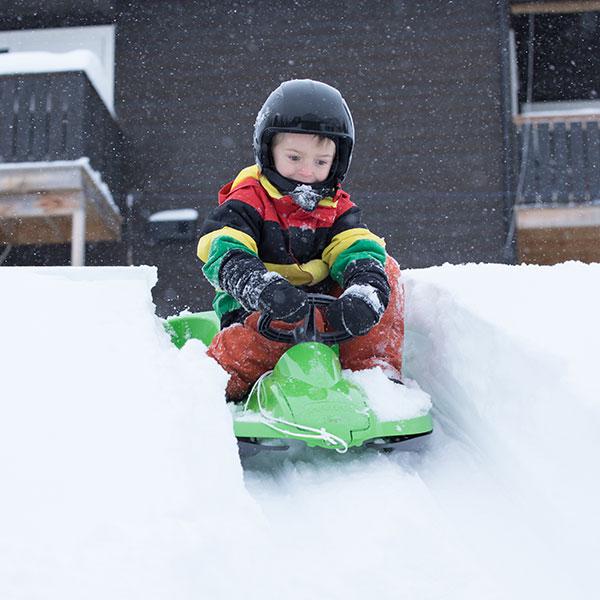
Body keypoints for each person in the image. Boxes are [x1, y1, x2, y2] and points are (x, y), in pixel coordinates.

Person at [197, 79, 404, 401]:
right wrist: (260, 287)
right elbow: (223, 250)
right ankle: (212, 390)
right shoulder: (248, 200)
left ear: (337, 162)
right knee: (245, 354)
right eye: (295, 158)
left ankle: (372, 373)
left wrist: (363, 295)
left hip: (331, 315)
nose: (307, 171)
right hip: (263, 313)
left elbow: (357, 248)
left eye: (320, 162)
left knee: (383, 267)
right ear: (269, 151)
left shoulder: (337, 207)